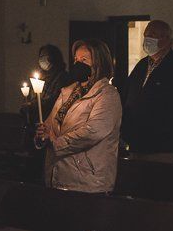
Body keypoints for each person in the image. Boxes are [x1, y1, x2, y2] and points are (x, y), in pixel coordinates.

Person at [36, 38, 122, 193]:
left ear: (99, 63)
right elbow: (51, 124)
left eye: (84, 60)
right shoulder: (68, 92)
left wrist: (56, 142)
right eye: (76, 59)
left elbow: (93, 132)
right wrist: (43, 133)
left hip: (87, 181)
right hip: (58, 175)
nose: (78, 64)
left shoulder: (107, 94)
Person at [121, 20, 173, 163]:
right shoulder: (142, 65)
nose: (148, 39)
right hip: (137, 142)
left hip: (164, 146)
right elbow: (128, 96)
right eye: (146, 35)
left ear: (167, 40)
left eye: (154, 35)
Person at [23, 44, 70, 180]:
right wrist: (29, 104)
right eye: (41, 56)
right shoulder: (41, 77)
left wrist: (33, 105)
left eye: (46, 56)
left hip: (51, 127)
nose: (43, 60)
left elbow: (54, 101)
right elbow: (34, 97)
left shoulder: (62, 78)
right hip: (35, 127)